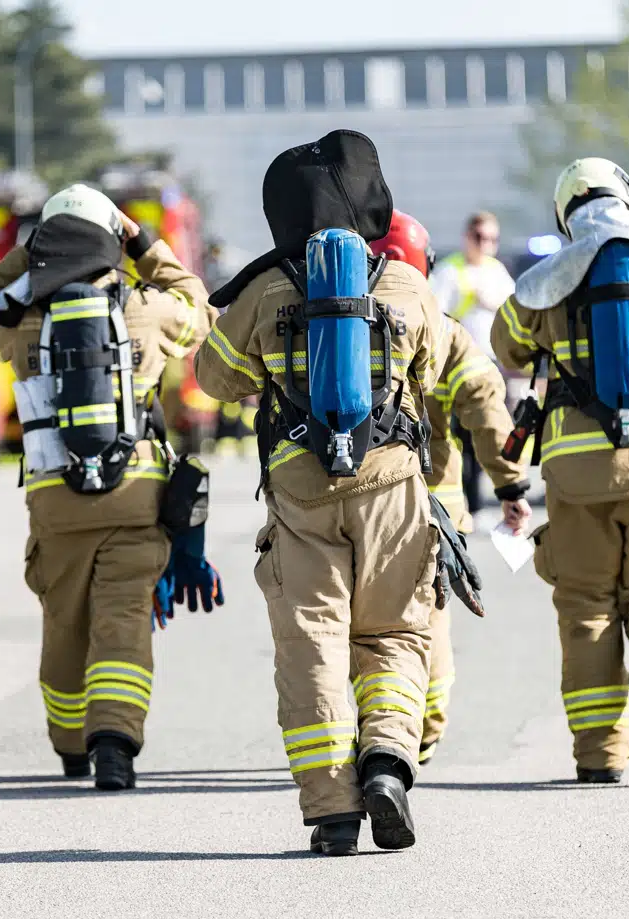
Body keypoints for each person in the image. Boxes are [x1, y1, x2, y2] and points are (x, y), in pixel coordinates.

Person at [196, 130, 448, 857]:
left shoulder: (264, 290)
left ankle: (332, 811)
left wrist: (266, 372)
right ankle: (390, 762)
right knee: (395, 631)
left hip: (301, 492)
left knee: (311, 644)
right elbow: (434, 366)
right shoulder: (404, 283)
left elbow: (211, 379)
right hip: (393, 483)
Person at [0, 184, 219, 791]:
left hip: (54, 501)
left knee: (64, 622)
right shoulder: (148, 311)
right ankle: (113, 745)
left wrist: (28, 255)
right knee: (123, 620)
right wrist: (145, 245)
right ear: (110, 240)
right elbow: (201, 310)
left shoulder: (18, 318)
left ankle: (70, 744)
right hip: (137, 495)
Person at [493, 157, 629, 785]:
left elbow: (506, 347)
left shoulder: (542, 282)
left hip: (578, 471)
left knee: (585, 603)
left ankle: (599, 757)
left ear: (566, 213)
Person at [369, 210, 531, 763]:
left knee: (358, 630)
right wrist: (511, 489)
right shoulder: (444, 332)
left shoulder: (332, 334)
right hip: (433, 512)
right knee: (426, 622)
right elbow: (489, 416)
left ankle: (375, 731)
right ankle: (421, 731)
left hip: (352, 508)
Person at [430, 212, 516, 513]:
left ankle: (478, 503)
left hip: (489, 364)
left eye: (493, 238)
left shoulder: (498, 272)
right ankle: (463, 502)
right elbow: (433, 316)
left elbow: (513, 315)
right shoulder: (449, 271)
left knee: (487, 433)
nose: (486, 244)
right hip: (454, 367)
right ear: (468, 237)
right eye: (480, 238)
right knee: (455, 436)